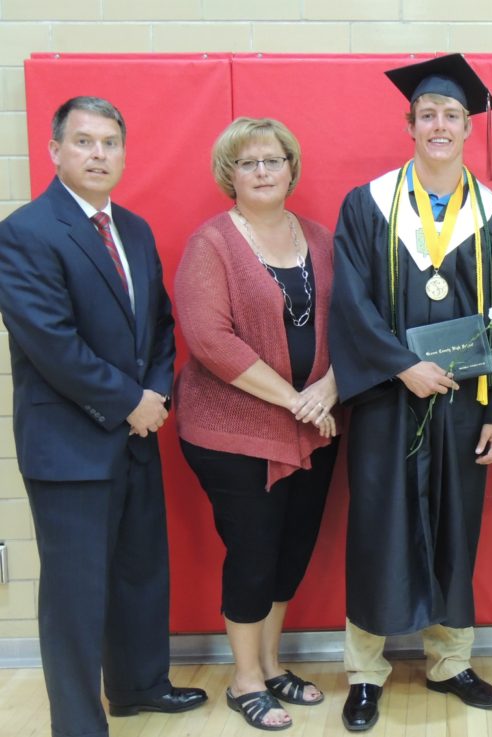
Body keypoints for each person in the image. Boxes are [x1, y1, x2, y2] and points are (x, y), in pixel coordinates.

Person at [330, 53, 492, 731]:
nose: (439, 125)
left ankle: (450, 661)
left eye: (451, 115)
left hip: (462, 404)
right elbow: (352, 303)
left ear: (468, 126)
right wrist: (401, 364)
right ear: (410, 123)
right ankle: (365, 671)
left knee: (456, 527)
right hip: (385, 398)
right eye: (427, 114)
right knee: (377, 529)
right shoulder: (368, 205)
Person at [0, 96, 207, 737]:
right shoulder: (25, 232)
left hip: (137, 435)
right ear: (56, 150)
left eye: (110, 143)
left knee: (140, 572)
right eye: (85, 142)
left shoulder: (136, 230)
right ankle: (78, 722)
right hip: (70, 446)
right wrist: (131, 404)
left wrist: (155, 398)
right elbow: (52, 344)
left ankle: (139, 687)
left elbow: (161, 327)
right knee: (74, 597)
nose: (99, 154)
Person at [174, 117, 339, 731]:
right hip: (233, 432)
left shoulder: (320, 240)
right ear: (230, 175)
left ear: (292, 167)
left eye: (273, 160)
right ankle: (244, 680)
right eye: (249, 163)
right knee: (253, 553)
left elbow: (354, 324)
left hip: (317, 426)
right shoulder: (211, 244)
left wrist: (328, 387)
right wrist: (294, 398)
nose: (263, 171)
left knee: (291, 552)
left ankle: (271, 665)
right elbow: (209, 339)